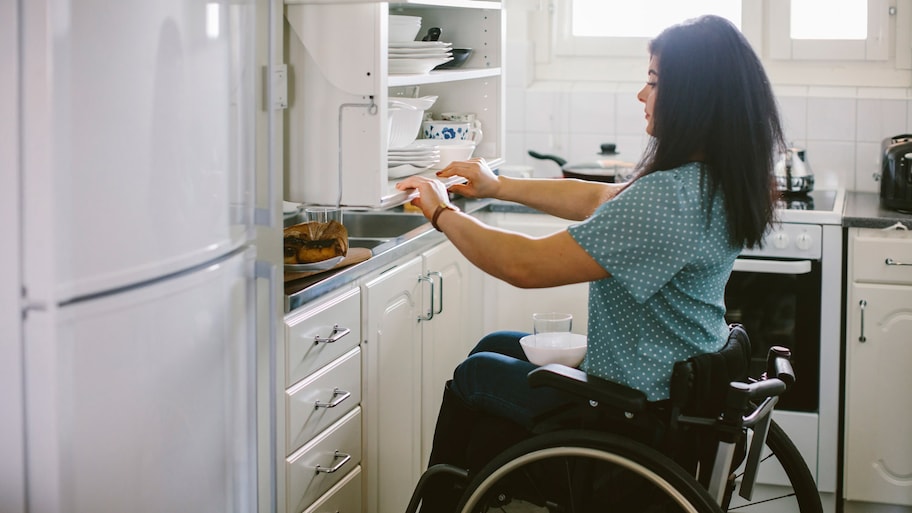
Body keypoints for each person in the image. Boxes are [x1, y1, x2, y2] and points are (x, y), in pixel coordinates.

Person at [396, 14, 783, 511]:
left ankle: (451, 496)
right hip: (671, 385)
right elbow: (603, 199)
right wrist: (498, 186)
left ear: (694, 98)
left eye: (653, 82)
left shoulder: (668, 198)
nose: (641, 95)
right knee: (494, 346)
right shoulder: (711, 182)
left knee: (476, 373)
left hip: (630, 412)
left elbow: (525, 266)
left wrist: (439, 211)